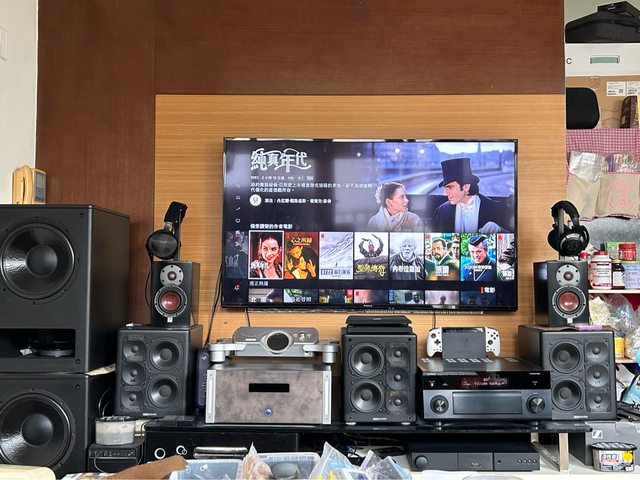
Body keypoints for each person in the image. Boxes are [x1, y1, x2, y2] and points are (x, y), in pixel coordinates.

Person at [431, 157, 507, 234]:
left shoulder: (494, 209)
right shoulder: (441, 211)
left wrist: (500, 230)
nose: (445, 193)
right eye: (445, 188)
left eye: (450, 188)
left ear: (466, 187)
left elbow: (511, 237)